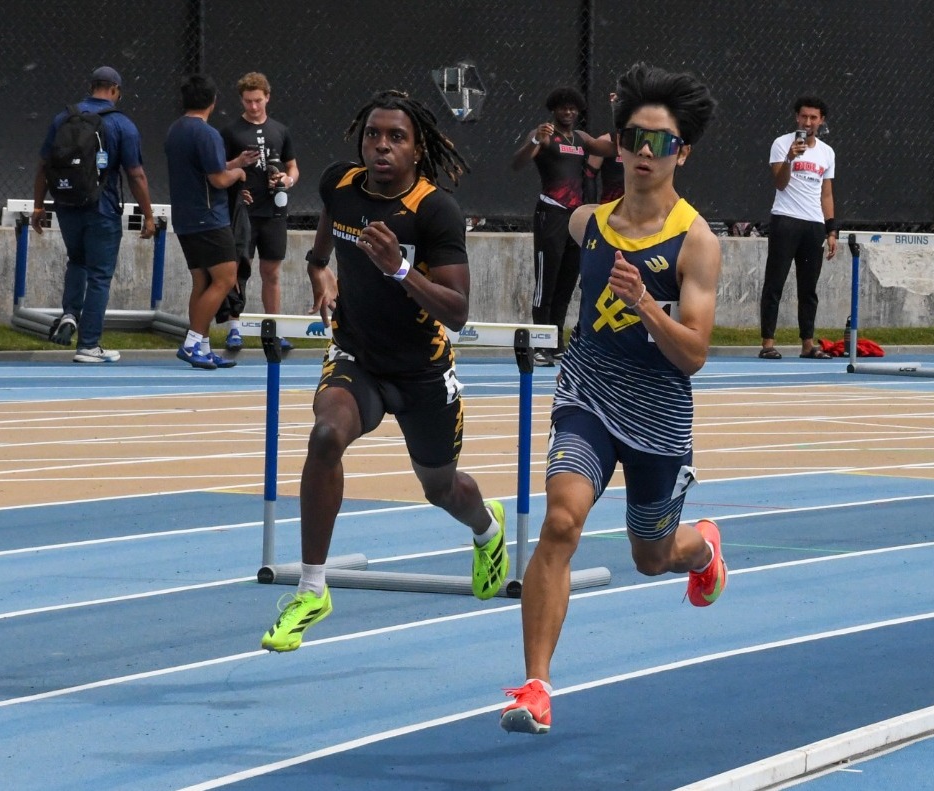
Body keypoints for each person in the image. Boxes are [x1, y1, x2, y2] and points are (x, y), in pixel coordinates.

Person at [500, 63, 723, 735]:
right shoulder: (586, 223)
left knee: (651, 557)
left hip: (658, 411)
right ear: (617, 145)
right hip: (588, 389)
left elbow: (695, 353)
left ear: (680, 152)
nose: (644, 153)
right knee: (561, 523)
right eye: (634, 138)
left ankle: (703, 546)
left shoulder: (698, 242)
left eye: (660, 142)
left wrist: (646, 308)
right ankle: (535, 688)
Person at [259, 90, 509, 652]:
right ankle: (312, 588)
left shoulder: (434, 210)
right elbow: (320, 250)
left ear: (417, 150)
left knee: (441, 488)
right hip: (358, 357)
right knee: (326, 436)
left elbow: (458, 309)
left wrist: (399, 269)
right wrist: (319, 272)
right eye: (374, 135)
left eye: (397, 137)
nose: (382, 146)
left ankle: (487, 529)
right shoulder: (340, 186)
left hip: (422, 371)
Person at [31, 66, 156, 363]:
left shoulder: (63, 118)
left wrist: (38, 205)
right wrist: (148, 216)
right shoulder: (122, 124)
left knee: (77, 260)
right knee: (100, 276)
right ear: (115, 90)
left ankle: (70, 314)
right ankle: (89, 344)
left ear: (91, 86)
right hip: (102, 208)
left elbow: (43, 166)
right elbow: (136, 175)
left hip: (66, 205)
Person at [510, 87, 613, 367]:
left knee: (566, 282)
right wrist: (534, 140)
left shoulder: (580, 139)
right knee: (547, 282)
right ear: (553, 110)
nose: (568, 112)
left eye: (573, 108)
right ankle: (539, 344)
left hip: (575, 218)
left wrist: (623, 115)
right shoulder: (545, 134)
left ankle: (554, 343)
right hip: (551, 215)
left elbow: (611, 147)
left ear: (578, 111)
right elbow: (518, 163)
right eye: (563, 108)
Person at [164, 73, 253, 370]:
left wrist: (235, 163)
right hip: (209, 218)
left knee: (201, 281)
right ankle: (191, 342)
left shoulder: (175, 130)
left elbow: (204, 169)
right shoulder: (207, 133)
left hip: (186, 217)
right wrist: (239, 175)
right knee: (226, 278)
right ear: (213, 102)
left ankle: (202, 345)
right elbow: (217, 178)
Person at [218, 71, 299, 353]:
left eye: (257, 101)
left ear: (267, 98)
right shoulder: (230, 132)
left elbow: (293, 167)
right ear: (241, 100)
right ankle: (234, 328)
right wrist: (238, 164)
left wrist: (287, 181)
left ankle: (274, 328)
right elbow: (218, 169)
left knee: (272, 272)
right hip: (243, 212)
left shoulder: (280, 130)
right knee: (238, 270)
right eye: (248, 101)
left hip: (274, 212)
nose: (253, 107)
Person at [758, 96, 837, 360]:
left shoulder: (827, 152)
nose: (808, 122)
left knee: (808, 288)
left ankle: (807, 344)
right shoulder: (781, 144)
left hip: (813, 225)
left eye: (814, 117)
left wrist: (831, 230)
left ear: (821, 120)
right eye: (804, 117)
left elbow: (826, 194)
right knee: (775, 283)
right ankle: (768, 343)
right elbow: (780, 183)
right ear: (796, 118)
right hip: (785, 219)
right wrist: (790, 158)